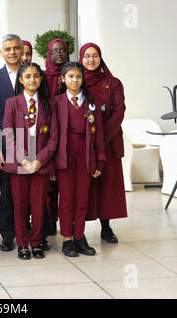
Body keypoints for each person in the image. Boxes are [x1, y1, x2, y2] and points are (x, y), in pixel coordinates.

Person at [3, 63, 58, 260]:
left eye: (36, 76)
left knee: (38, 205)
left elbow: (54, 137)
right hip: (20, 164)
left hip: (41, 165)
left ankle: (36, 242)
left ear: (41, 79)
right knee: (20, 205)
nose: (32, 80)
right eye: (28, 76)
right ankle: (22, 243)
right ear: (21, 80)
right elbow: (8, 134)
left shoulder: (49, 104)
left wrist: (40, 160)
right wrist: (24, 159)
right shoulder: (12, 103)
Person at [54, 62, 105, 257]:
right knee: (66, 198)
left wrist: (99, 160)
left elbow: (98, 134)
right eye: (71, 76)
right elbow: (52, 135)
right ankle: (67, 239)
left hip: (86, 153)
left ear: (83, 80)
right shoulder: (56, 102)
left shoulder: (92, 102)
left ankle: (79, 236)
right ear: (63, 79)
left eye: (78, 77)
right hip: (65, 153)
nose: (75, 80)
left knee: (82, 198)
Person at [79, 43, 128, 243]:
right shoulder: (75, 81)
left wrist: (101, 139)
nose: (91, 60)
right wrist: (89, 141)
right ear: (81, 59)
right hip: (83, 144)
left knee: (108, 187)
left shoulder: (113, 83)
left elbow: (119, 111)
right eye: (87, 56)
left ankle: (106, 228)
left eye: (95, 56)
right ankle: (78, 229)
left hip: (109, 142)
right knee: (83, 188)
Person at [0, 34, 23, 252]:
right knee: (8, 192)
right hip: (6, 145)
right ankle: (8, 234)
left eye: (16, 48)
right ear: (1, 52)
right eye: (7, 49)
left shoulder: (34, 74)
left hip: (32, 143)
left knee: (31, 190)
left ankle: (30, 232)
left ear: (21, 50)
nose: (12, 52)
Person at [44, 38, 71, 237]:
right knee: (49, 186)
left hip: (70, 138)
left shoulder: (74, 75)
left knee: (67, 185)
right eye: (55, 51)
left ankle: (69, 225)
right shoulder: (43, 77)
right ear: (49, 54)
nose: (59, 54)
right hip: (48, 137)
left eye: (63, 51)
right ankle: (50, 221)